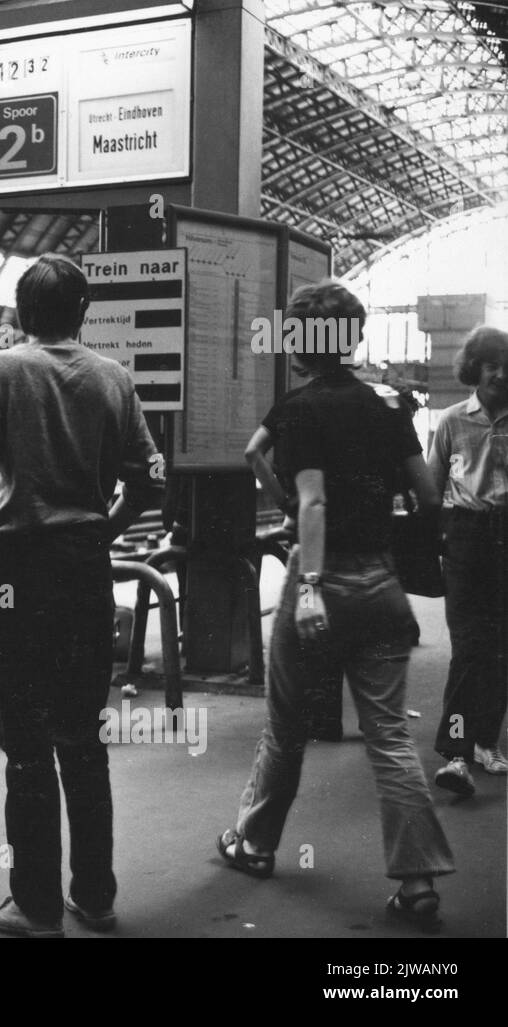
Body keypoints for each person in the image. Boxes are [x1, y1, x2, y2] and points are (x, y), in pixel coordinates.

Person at [216, 281, 454, 930]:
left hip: (318, 582)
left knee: (286, 728)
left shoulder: (296, 409)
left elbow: (278, 475)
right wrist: (384, 526)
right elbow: (429, 497)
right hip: (379, 586)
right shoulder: (385, 409)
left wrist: (309, 562)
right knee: (389, 736)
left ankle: (255, 843)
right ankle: (417, 881)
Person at [0, 253, 161, 937]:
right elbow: (150, 481)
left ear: (21, 314)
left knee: (26, 741)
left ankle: (34, 903)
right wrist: (103, 529)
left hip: (19, 568)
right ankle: (95, 897)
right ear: (82, 312)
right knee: (84, 735)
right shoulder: (113, 378)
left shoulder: (2, 369)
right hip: (84, 569)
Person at [428, 326, 508, 796]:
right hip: (467, 535)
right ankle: (455, 753)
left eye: (506, 364)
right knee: (469, 647)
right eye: (490, 363)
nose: (499, 373)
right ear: (474, 368)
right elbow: (433, 487)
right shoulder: (453, 421)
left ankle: (484, 741)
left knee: (503, 648)